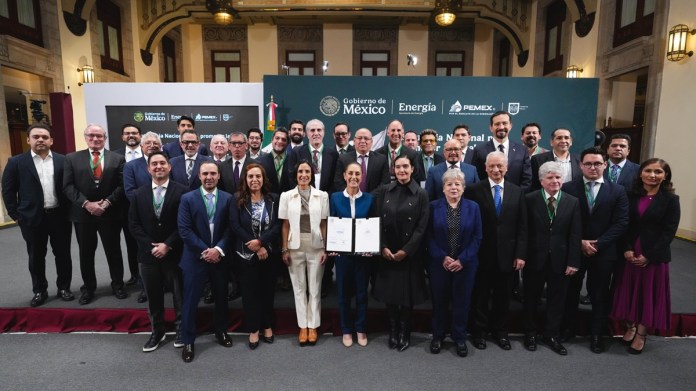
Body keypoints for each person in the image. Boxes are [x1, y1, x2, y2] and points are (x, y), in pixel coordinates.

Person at [560, 147, 628, 353]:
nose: (592, 167)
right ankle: (567, 329)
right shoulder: (568, 188)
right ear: (580, 166)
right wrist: (580, 241)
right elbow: (562, 221)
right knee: (570, 292)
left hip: (604, 252)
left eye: (597, 163)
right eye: (588, 163)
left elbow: (621, 223)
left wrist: (598, 243)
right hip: (575, 250)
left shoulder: (617, 191)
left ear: (605, 165)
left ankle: (597, 334)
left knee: (599, 294)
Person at [611, 158, 680, 355]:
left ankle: (641, 333)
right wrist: (626, 248)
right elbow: (623, 223)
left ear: (665, 176)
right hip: (630, 253)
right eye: (648, 171)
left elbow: (669, 232)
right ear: (640, 173)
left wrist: (649, 255)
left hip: (653, 257)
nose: (652, 175)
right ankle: (631, 326)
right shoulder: (630, 195)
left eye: (658, 172)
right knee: (631, 291)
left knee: (647, 294)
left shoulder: (671, 200)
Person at [2, 124, 74, 306]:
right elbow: (8, 191)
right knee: (36, 256)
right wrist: (16, 215)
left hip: (59, 216)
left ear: (51, 140)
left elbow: (69, 187)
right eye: (36, 137)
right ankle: (39, 290)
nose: (40, 140)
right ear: (28, 140)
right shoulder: (16, 162)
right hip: (31, 218)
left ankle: (64, 287)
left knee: (63, 254)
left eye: (44, 137)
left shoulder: (63, 160)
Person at [464, 151, 527, 351]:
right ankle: (479, 332)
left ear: (506, 167)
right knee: (480, 296)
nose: (496, 169)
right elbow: (469, 224)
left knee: (503, 297)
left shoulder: (517, 191)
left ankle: (500, 332)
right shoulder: (474, 190)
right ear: (485, 168)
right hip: (482, 255)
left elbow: (522, 227)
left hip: (508, 256)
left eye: (500, 166)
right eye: (492, 166)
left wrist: (520, 254)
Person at [128, 152, 188, 352]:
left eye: (162, 163)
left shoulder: (182, 192)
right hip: (148, 255)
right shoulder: (138, 193)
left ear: (170, 167)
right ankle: (158, 331)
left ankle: (181, 329)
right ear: (148, 169)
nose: (158, 166)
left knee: (179, 295)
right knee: (153, 296)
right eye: (154, 164)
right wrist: (152, 246)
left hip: (174, 253)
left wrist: (167, 244)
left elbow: (184, 224)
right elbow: (134, 225)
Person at [63, 124, 127, 305]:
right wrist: (86, 204)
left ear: (105, 138)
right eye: (91, 135)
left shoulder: (118, 158)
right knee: (86, 253)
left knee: (113, 251)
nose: (95, 139)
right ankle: (89, 288)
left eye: (99, 136)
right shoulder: (72, 158)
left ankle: (118, 284)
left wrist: (106, 203)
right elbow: (68, 186)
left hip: (110, 214)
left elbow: (122, 186)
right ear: (85, 137)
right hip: (83, 215)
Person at [523, 161, 581, 356]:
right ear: (541, 181)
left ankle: (552, 335)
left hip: (561, 260)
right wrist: (521, 256)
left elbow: (575, 234)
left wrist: (573, 261)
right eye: (550, 177)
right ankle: (530, 333)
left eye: (558, 177)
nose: (555, 181)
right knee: (531, 298)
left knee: (557, 299)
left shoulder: (572, 202)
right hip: (534, 258)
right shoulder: (529, 199)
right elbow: (524, 231)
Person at [178, 161, 234, 363]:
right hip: (195, 258)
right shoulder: (187, 198)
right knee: (191, 301)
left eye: (212, 173)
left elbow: (231, 228)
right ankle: (188, 340)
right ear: (199, 176)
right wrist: (205, 251)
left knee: (221, 298)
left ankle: (221, 331)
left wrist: (218, 250)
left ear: (219, 176)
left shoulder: (228, 199)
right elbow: (184, 230)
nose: (209, 177)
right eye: (205, 173)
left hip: (220, 257)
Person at [372, 154, 429, 352]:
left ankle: (405, 332)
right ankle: (393, 330)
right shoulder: (385, 191)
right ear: (393, 170)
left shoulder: (421, 194)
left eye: (405, 167)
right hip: (388, 252)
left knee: (406, 297)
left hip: (409, 254)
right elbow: (377, 220)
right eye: (398, 167)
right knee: (390, 295)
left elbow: (422, 227)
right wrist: (383, 247)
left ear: (413, 169)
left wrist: (406, 251)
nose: (402, 170)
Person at [427, 169, 482, 357]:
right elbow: (429, 237)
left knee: (462, 302)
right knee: (439, 302)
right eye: (449, 184)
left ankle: (459, 338)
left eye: (457, 184)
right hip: (439, 264)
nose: (453, 187)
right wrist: (442, 257)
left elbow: (477, 237)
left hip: (465, 265)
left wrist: (462, 259)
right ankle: (438, 336)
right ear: (443, 188)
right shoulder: (433, 207)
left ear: (463, 188)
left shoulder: (473, 207)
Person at [229, 163, 280, 350]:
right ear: (245, 179)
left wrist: (263, 242)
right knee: (250, 294)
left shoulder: (273, 199)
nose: (254, 180)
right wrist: (256, 246)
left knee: (267, 292)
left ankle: (267, 326)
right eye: (251, 176)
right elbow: (235, 226)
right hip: (246, 255)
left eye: (258, 176)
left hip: (270, 255)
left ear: (263, 178)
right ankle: (253, 329)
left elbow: (277, 226)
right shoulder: (236, 200)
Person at [279, 160, 329, 346]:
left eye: (307, 171)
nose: (303, 175)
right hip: (294, 246)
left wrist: (326, 248)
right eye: (300, 171)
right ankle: (303, 327)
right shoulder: (287, 196)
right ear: (296, 174)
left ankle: (313, 326)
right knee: (299, 288)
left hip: (316, 245)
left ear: (312, 174)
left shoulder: (322, 196)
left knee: (315, 289)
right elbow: (284, 225)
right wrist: (284, 248)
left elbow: (324, 223)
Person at [329, 162, 374, 348]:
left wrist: (372, 246)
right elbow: (331, 222)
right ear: (344, 176)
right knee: (343, 294)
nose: (354, 177)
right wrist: (330, 245)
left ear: (361, 177)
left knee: (362, 293)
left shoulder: (370, 199)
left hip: (363, 255)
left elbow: (372, 225)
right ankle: (347, 329)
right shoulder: (335, 198)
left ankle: (361, 328)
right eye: (350, 174)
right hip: (343, 256)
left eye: (357, 173)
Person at [472, 111, 531, 188]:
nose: (501, 127)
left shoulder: (522, 150)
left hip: (515, 198)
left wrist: (517, 196)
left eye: (504, 123)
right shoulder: (479, 150)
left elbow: (527, 179)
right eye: (497, 124)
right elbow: (476, 178)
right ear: (491, 127)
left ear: (510, 126)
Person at [333, 128, 390, 193]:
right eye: (359, 138)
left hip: (375, 200)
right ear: (354, 141)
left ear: (371, 141)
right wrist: (351, 195)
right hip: (349, 200)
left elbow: (385, 183)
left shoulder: (381, 159)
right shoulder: (343, 159)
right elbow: (338, 182)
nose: (363, 141)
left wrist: (369, 198)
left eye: (366, 138)